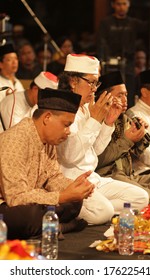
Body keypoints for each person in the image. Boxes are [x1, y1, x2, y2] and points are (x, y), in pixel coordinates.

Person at [57, 53, 149, 225]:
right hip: (71, 180)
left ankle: (96, 211)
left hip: (92, 178)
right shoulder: (62, 109)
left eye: (96, 83)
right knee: (103, 212)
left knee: (140, 198)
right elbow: (70, 157)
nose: (94, 88)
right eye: (90, 82)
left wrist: (107, 123)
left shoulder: (86, 107)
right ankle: (86, 212)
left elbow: (95, 151)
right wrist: (94, 121)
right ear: (73, 81)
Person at [0, 88, 95, 240]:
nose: (68, 131)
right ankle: (58, 226)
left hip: (30, 201)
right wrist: (62, 196)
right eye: (66, 124)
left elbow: (53, 177)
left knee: (75, 202)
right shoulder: (15, 140)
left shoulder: (48, 141)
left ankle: (50, 227)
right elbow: (15, 198)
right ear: (47, 118)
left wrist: (73, 187)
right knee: (27, 217)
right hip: (7, 206)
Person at [95, 71, 150, 205]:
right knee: (147, 195)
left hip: (129, 174)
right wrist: (127, 139)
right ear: (106, 97)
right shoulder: (97, 120)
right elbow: (99, 160)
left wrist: (140, 138)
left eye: (126, 95)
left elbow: (132, 155)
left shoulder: (124, 118)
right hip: (109, 175)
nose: (124, 100)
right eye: (120, 95)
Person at [97, 0, 148, 108]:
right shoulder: (106, 22)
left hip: (128, 64)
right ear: (113, 5)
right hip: (110, 63)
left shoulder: (133, 23)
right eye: (119, 4)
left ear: (128, 5)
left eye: (124, 4)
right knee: (111, 92)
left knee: (128, 93)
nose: (121, 7)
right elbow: (101, 43)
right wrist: (100, 61)